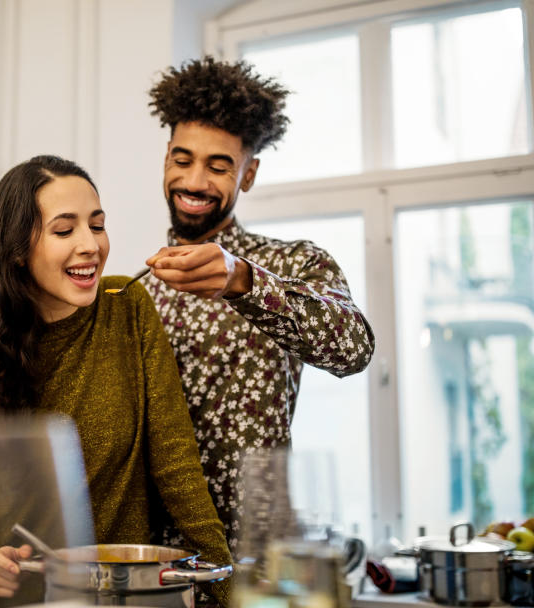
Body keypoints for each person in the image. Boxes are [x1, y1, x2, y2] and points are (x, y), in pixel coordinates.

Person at [0, 155, 232, 608]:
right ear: (15, 249)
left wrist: (230, 595)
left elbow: (178, 466)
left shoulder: (127, 307)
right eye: (65, 231)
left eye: (98, 225)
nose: (90, 245)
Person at [142, 57, 376, 555]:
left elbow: (354, 348)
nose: (195, 181)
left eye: (219, 165)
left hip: (258, 559)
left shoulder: (294, 263)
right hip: (154, 564)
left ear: (248, 175)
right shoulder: (137, 291)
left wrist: (244, 281)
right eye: (183, 160)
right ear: (166, 159)